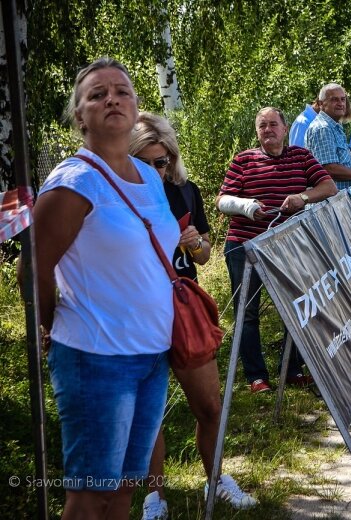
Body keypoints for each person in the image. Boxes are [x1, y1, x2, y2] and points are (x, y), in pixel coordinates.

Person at [28, 57, 177, 520]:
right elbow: (32, 270)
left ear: (136, 109)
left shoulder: (149, 174)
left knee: (127, 488)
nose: (112, 98)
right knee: (91, 496)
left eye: (122, 91)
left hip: (152, 356)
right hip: (96, 359)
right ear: (80, 115)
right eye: (97, 94)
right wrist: (50, 326)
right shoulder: (74, 183)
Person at [129, 113, 256, 519]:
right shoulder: (118, 195)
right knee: (148, 413)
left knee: (210, 406)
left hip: (182, 307)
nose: (155, 169)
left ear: (172, 158)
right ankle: (155, 497)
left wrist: (196, 241)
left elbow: (203, 253)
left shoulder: (185, 192)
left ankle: (216, 479)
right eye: (145, 161)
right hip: (135, 312)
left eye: (162, 161)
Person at [219, 107, 338, 394]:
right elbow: (221, 200)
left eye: (273, 124)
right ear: (257, 132)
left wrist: (302, 197)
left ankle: (292, 369)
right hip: (244, 245)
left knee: (298, 305)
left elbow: (329, 187)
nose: (268, 130)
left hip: (288, 245)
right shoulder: (243, 160)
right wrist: (247, 207)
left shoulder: (301, 156)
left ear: (285, 129)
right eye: (262, 126)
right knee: (246, 312)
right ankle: (256, 377)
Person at [305, 83, 351, 190]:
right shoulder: (323, 128)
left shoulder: (334, 125)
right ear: (321, 104)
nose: (341, 103)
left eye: (343, 99)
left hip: (339, 201)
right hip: (330, 203)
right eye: (334, 100)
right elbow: (329, 168)